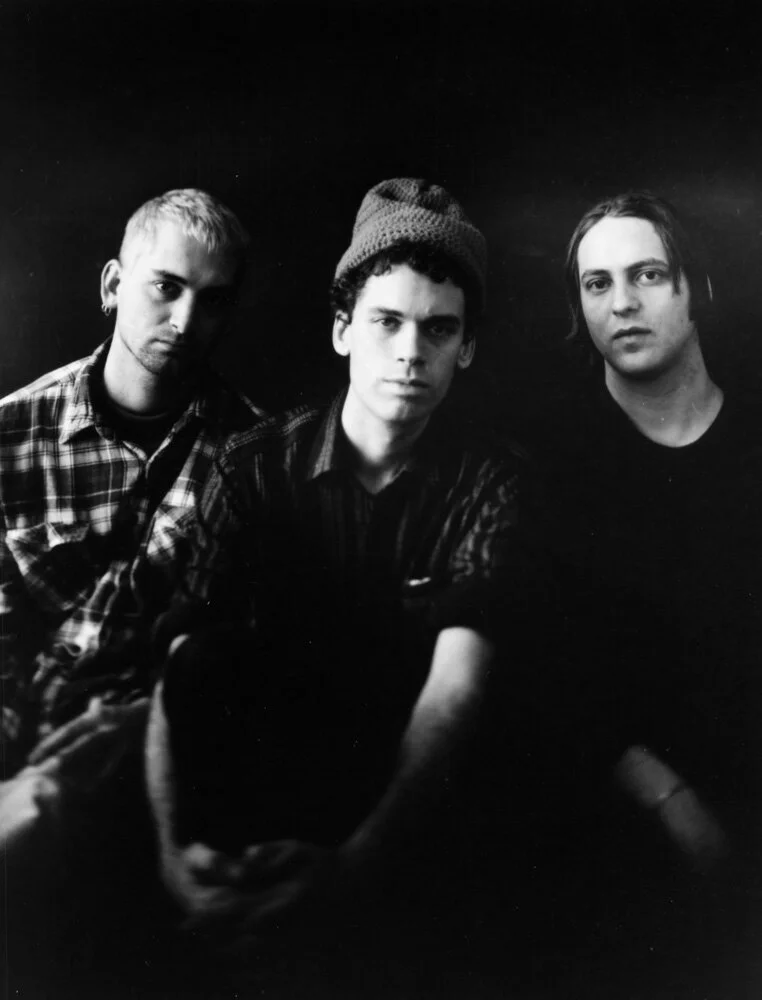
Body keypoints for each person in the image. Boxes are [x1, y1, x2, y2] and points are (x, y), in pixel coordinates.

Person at [145, 178, 525, 992]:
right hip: (267, 778)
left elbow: (458, 687)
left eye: (439, 328)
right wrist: (173, 857)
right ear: (343, 330)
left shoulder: (488, 480)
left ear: (466, 347)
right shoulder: (252, 466)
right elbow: (180, 665)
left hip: (406, 800)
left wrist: (354, 870)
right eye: (386, 321)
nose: (410, 352)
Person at [0, 188, 263, 993]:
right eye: (166, 287)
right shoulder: (10, 437)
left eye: (211, 301)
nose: (185, 320)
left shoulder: (256, 452)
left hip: (162, 771)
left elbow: (231, 661)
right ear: (114, 285)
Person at [525, 190, 762, 996]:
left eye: (648, 275)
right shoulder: (550, 466)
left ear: (697, 287)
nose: (622, 302)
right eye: (597, 284)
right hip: (615, 820)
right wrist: (669, 800)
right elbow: (550, 681)